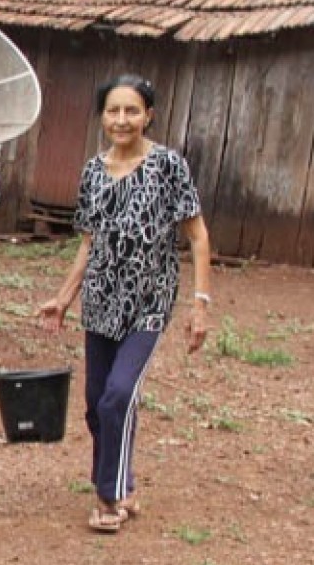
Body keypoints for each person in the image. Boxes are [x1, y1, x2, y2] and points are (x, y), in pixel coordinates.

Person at [37, 74, 213, 534]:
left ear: (149, 115)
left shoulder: (169, 166)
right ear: (103, 117)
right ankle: (124, 479)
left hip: (148, 303)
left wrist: (201, 303)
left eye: (132, 110)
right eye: (113, 111)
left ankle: (109, 496)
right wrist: (63, 297)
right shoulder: (93, 170)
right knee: (97, 405)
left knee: (118, 395)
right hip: (100, 300)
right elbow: (89, 243)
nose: (122, 120)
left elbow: (197, 236)